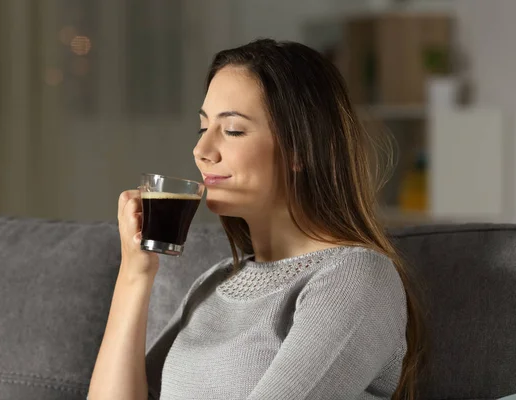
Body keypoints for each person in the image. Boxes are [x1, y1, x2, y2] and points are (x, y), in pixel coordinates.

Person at [87, 38, 425, 400]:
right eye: (203, 128)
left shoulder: (356, 277)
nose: (201, 151)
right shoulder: (213, 284)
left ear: (300, 149)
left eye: (232, 130)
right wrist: (134, 274)